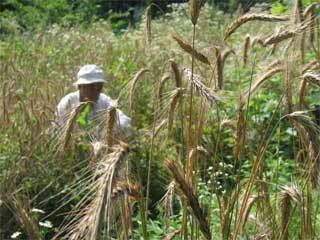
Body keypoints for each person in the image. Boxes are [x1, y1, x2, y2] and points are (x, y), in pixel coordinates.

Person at [55, 64, 131, 140]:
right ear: (80, 87)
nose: (95, 92)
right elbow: (57, 131)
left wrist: (110, 136)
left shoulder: (104, 100)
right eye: (90, 88)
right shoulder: (68, 102)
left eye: (99, 88)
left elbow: (124, 121)